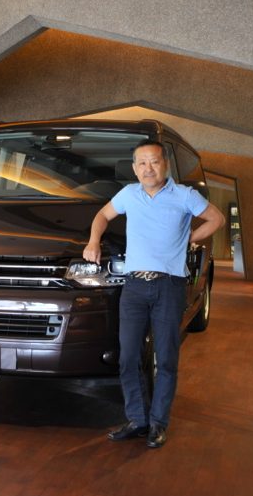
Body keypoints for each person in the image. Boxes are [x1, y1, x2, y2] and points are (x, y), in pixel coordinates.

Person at [83, 139, 224, 448]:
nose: (149, 168)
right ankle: (138, 419)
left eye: (155, 162)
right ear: (135, 168)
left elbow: (217, 219)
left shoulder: (185, 195)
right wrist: (93, 241)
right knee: (128, 357)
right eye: (142, 163)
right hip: (134, 287)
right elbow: (102, 216)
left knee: (166, 359)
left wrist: (191, 238)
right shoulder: (128, 194)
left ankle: (158, 422)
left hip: (168, 286)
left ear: (166, 165)